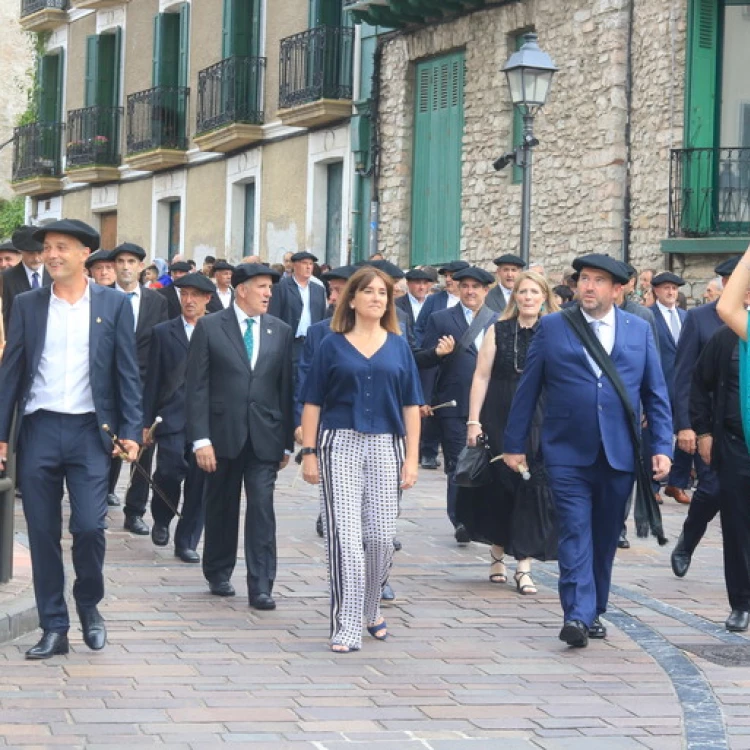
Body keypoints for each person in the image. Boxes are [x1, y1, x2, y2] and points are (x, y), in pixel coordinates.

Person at [503, 254, 672, 648]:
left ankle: (594, 607)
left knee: (605, 534)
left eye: (599, 280)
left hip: (619, 453)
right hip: (566, 451)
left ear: (619, 289)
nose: (589, 286)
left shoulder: (638, 329)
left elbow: (656, 393)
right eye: (584, 279)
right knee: (575, 531)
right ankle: (576, 615)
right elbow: (528, 389)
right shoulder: (553, 326)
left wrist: (661, 446)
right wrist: (514, 445)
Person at [0, 219, 141, 660]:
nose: (52, 254)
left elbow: (126, 372)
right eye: (48, 247)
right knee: (41, 532)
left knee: (88, 526)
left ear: (85, 254)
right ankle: (53, 627)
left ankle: (89, 604)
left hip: (89, 432)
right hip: (39, 428)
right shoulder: (27, 304)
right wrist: (2, 437)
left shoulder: (113, 305)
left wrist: (131, 431)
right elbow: (12, 373)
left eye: (62, 247)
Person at [300, 267, 422, 652]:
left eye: (383, 293)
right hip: (339, 445)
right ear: (351, 299)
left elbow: (411, 406)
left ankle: (371, 607)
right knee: (346, 541)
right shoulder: (331, 345)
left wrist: (413, 458)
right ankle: (346, 623)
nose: (376, 298)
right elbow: (312, 402)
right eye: (368, 292)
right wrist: (308, 454)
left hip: (387, 446)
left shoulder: (399, 346)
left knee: (381, 539)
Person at [186, 263, 294, 609]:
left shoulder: (280, 330)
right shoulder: (210, 327)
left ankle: (261, 585)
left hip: (265, 435)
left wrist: (287, 441)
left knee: (262, 508)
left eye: (271, 288)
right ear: (241, 289)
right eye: (262, 287)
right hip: (221, 435)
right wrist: (200, 439)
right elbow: (197, 387)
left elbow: (285, 387)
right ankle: (218, 570)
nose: (268, 294)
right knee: (221, 504)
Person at [461, 271, 559, 593]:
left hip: (540, 415)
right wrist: (473, 421)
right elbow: (481, 377)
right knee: (500, 487)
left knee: (531, 488)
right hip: (499, 413)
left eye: (534, 292)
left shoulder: (557, 331)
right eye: (523, 291)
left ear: (544, 297)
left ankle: (525, 566)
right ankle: (497, 553)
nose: (528, 297)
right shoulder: (498, 330)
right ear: (514, 296)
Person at [420, 266, 499, 543]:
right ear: (456, 288)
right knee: (458, 463)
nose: (470, 291)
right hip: (452, 403)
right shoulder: (441, 319)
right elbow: (425, 361)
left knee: (487, 464)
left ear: (486, 291)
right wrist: (425, 399)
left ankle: (481, 516)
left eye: (476, 287)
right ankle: (460, 519)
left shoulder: (498, 321)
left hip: (489, 405)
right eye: (465, 286)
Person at [670, 257, 737, 578]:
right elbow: (684, 376)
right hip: (710, 423)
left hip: (743, 423)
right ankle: (687, 541)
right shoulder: (700, 319)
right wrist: (686, 425)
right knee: (711, 491)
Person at [143, 273, 214, 564]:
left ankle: (187, 541)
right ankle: (162, 516)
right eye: (184, 294)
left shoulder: (218, 330)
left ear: (207, 299)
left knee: (199, 483)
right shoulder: (163, 332)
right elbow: (153, 380)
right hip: (171, 416)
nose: (188, 301)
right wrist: (146, 422)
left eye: (195, 296)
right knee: (169, 471)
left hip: (206, 420)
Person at [690, 318, 750, 632]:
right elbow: (700, 382)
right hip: (735, 445)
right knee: (738, 527)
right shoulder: (726, 339)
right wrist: (702, 431)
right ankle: (741, 603)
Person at [110, 243, 169, 527]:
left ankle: (134, 511)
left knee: (144, 446)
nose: (125, 266)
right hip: (108, 384)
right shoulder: (101, 297)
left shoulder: (157, 302)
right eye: (120, 261)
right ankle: (100, 499)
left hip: (144, 384)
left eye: (131, 261)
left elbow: (163, 346)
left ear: (140, 267)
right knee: (105, 444)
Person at [649, 272, 691, 506]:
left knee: (687, 433)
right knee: (657, 433)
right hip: (660, 384)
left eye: (674, 288)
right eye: (666, 288)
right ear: (656, 290)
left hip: (684, 386)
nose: (671, 292)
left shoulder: (686, 316)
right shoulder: (649, 317)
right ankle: (653, 484)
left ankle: (677, 482)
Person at [267, 251, 327, 372]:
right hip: (291, 343)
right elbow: (274, 316)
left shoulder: (318, 289)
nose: (309, 267)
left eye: (311, 264)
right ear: (295, 265)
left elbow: (322, 317)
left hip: (312, 342)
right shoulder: (281, 287)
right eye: (305, 263)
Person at [1, 225, 52, 332]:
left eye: (40, 252)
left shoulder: (56, 275)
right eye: (31, 253)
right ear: (21, 252)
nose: (37, 258)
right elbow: (4, 315)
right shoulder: (6, 279)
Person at [414, 260, 468, 346]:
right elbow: (419, 329)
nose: (447, 279)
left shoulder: (471, 302)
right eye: (446, 276)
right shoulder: (433, 300)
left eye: (452, 276)